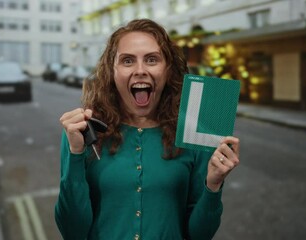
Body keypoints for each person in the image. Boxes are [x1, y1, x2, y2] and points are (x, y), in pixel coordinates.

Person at [54, 18, 240, 240]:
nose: (140, 70)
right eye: (127, 61)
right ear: (112, 71)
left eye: (152, 59)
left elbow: (200, 235)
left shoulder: (195, 133)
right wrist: (75, 155)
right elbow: (72, 232)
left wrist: (214, 184)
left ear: (168, 69)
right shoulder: (84, 132)